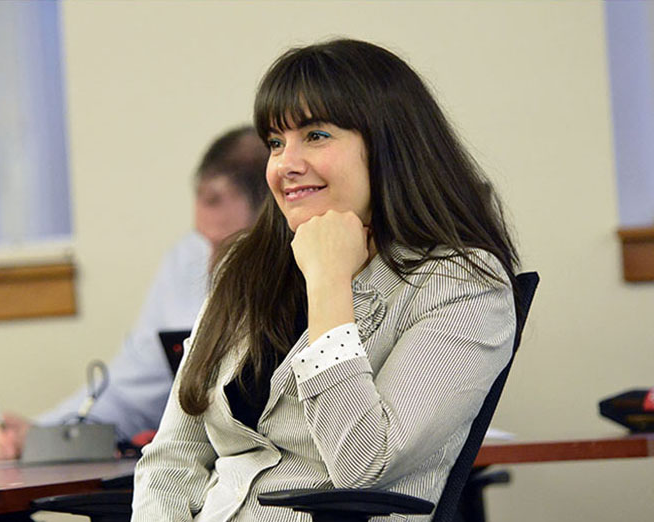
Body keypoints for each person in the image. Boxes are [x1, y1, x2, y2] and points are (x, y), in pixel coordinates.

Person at [133, 39, 520, 521]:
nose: (284, 165)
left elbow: (365, 463)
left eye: (316, 135)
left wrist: (329, 282)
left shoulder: (460, 285)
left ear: (387, 145)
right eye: (276, 142)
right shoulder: (245, 271)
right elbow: (173, 458)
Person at [0, 126, 269, 461]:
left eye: (228, 244)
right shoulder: (187, 260)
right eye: (207, 241)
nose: (212, 263)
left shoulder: (320, 272)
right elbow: (133, 391)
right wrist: (39, 435)